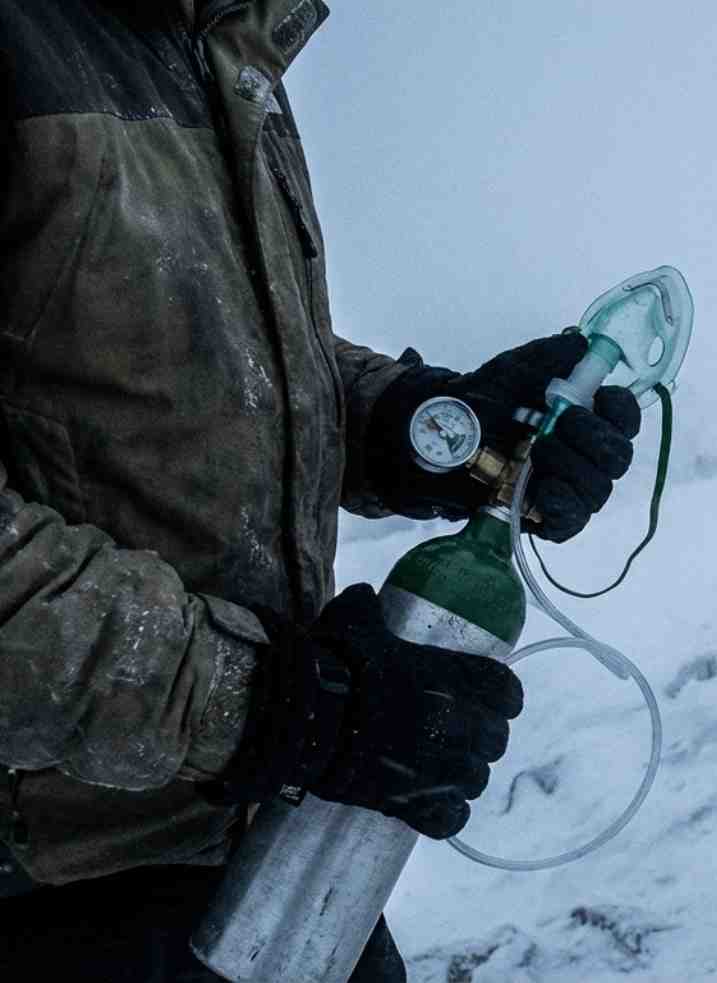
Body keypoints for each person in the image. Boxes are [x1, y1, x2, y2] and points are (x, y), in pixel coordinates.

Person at [0, 3, 640, 980]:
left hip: (260, 845)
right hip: (56, 893)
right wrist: (271, 701)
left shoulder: (211, 40)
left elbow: (172, 360)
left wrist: (422, 428)